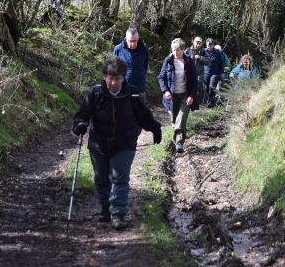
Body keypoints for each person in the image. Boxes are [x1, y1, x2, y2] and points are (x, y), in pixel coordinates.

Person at [72, 56, 162, 230]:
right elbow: (82, 114)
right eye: (110, 78)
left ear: (123, 78)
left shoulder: (132, 94)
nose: (113, 83)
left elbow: (143, 115)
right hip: (99, 143)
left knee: (120, 177)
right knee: (101, 177)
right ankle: (105, 207)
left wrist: (154, 128)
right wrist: (80, 125)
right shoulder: (95, 92)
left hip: (124, 142)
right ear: (105, 77)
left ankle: (118, 213)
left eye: (117, 79)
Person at [158, 38, 199, 153]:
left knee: (181, 120)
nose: (175, 52)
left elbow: (194, 81)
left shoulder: (189, 62)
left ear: (183, 49)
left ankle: (179, 143)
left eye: (178, 50)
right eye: (173, 50)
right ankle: (177, 138)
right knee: (174, 119)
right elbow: (161, 77)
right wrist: (165, 91)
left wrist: (191, 96)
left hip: (185, 96)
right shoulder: (168, 60)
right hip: (171, 97)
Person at [113, 27, 149, 102]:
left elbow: (145, 67)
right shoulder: (118, 49)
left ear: (138, 38)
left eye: (135, 41)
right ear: (126, 39)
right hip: (122, 88)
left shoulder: (144, 50)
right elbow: (114, 68)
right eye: (130, 41)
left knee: (141, 112)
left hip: (139, 88)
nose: (132, 44)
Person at [184, 36, 210, 106]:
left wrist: (200, 57)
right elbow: (183, 59)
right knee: (188, 86)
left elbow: (208, 61)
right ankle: (188, 100)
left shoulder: (204, 51)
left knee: (198, 87)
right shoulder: (188, 50)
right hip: (189, 73)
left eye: (199, 43)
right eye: (197, 42)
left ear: (202, 44)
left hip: (199, 74)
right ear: (193, 42)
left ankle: (197, 102)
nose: (198, 44)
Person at [203, 38, 224, 107]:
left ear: (213, 45)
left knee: (212, 87)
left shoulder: (217, 52)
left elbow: (221, 63)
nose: (209, 46)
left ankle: (211, 103)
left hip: (215, 73)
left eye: (211, 45)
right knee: (206, 88)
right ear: (206, 45)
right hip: (205, 73)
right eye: (208, 45)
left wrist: (222, 72)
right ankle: (208, 101)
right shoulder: (203, 51)